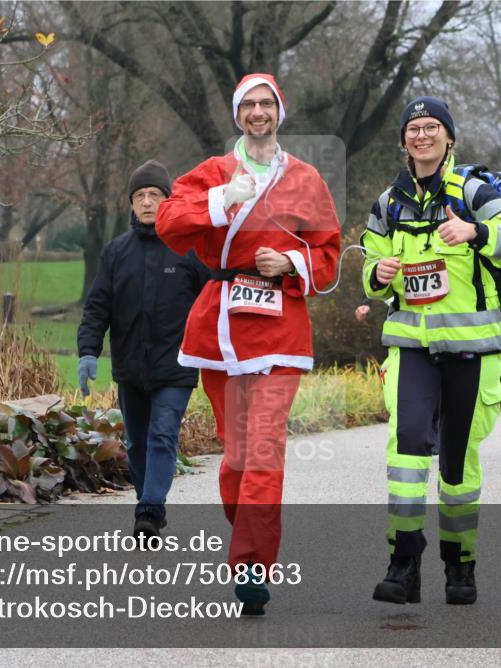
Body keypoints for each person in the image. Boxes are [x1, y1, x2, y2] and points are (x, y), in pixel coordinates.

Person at [155, 73, 341, 615]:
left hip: (281, 325)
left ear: (279, 111)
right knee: (237, 457)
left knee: (263, 449)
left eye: (267, 104)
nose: (258, 112)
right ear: (239, 114)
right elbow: (168, 222)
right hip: (222, 327)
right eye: (249, 105)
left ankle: (253, 568)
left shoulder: (306, 178)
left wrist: (293, 261)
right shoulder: (213, 171)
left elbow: (328, 256)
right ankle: (249, 542)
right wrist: (221, 199)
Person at [361, 96, 501, 606]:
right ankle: (402, 561)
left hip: (472, 348)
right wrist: (378, 273)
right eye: (413, 128)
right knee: (407, 451)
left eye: (432, 127)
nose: (422, 135)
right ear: (404, 140)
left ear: (449, 137)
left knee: (457, 465)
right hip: (411, 344)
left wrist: (476, 231)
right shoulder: (388, 203)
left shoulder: (476, 191)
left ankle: (460, 566)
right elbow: (371, 270)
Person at [76, 160, 209, 540]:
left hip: (177, 364)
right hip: (130, 366)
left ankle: (149, 510)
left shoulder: (190, 250)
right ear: (131, 204)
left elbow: (214, 301)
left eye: (155, 195)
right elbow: (98, 305)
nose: (147, 202)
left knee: (162, 435)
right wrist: (88, 350)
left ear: (168, 200)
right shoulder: (117, 252)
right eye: (140, 196)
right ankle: (148, 502)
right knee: (136, 441)